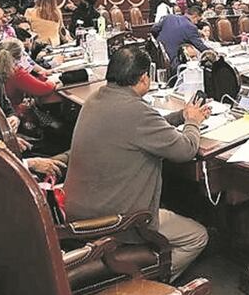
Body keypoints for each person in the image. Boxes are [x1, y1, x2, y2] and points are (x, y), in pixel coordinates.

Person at [63, 46, 210, 279]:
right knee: (197, 236)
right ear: (143, 78)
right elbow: (185, 150)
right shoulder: (135, 111)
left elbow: (145, 127)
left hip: (79, 213)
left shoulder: (96, 99)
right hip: (117, 222)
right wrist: (193, 123)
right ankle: (148, 284)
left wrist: (182, 116)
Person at [0, 39, 60, 109]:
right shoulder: (16, 72)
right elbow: (44, 89)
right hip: (15, 111)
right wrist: (53, 81)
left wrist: (42, 75)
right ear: (20, 57)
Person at [152, 4, 209, 69]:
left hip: (158, 59)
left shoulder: (169, 17)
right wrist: (213, 52)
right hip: (174, 64)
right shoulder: (191, 27)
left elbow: (153, 29)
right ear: (195, 16)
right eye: (198, 20)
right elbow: (200, 47)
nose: (197, 23)